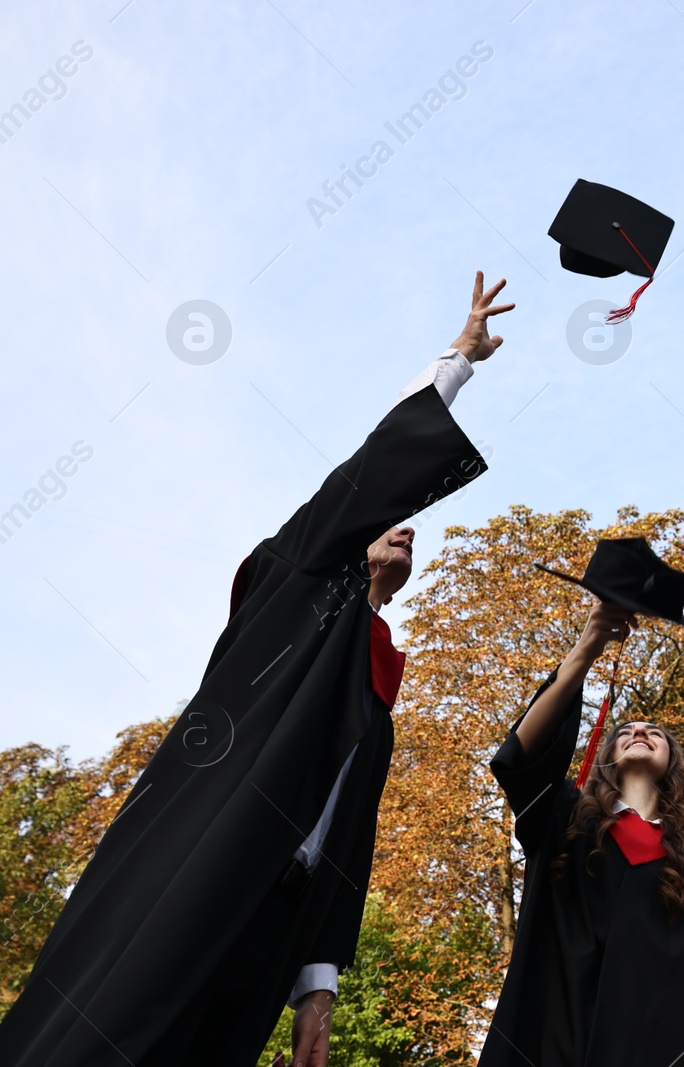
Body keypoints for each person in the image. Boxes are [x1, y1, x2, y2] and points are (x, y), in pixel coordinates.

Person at [0, 273, 515, 1067]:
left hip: (274, 919)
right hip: (197, 863)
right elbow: (358, 479)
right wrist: (458, 359)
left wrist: (317, 987)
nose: (403, 526)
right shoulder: (296, 588)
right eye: (384, 522)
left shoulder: (373, 696)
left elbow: (345, 844)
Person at [479, 599, 684, 1067]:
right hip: (554, 1043)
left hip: (662, 1047)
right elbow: (523, 756)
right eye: (627, 731)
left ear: (674, 766)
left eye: (654, 732)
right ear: (606, 758)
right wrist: (589, 646)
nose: (640, 731)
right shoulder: (564, 823)